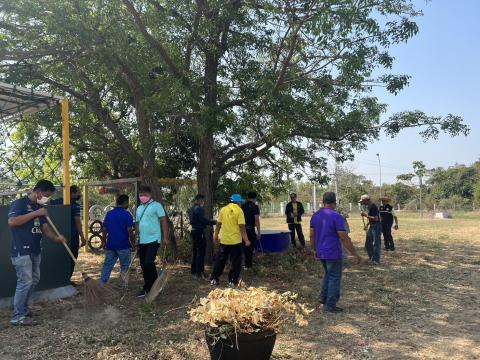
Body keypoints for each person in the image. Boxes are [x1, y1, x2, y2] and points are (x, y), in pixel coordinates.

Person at [8, 179, 67, 326]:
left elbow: (45, 229)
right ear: (38, 192)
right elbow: (12, 222)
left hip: (35, 250)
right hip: (21, 251)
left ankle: (23, 309)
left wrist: (57, 238)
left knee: (33, 280)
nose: (47, 199)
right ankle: (17, 317)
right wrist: (36, 213)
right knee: (25, 281)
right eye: (46, 195)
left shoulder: (39, 207)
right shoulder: (20, 204)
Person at [310, 192, 361, 313]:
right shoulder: (336, 216)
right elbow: (343, 237)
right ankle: (330, 305)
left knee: (328, 274)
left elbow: (312, 236)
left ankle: (323, 299)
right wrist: (354, 253)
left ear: (323, 202)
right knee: (334, 278)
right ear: (334, 203)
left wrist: (314, 250)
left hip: (321, 251)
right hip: (333, 252)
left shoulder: (315, 216)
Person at [135, 185, 169, 298]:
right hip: (142, 240)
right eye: (141, 195)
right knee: (143, 264)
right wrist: (136, 237)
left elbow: (164, 221)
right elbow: (138, 224)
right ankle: (147, 287)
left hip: (154, 239)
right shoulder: (139, 208)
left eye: (145, 195)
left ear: (150, 195)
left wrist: (166, 237)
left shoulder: (156, 205)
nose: (142, 197)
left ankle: (155, 286)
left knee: (149, 262)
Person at [210, 194, 251, 287]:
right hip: (236, 242)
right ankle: (232, 281)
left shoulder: (223, 209)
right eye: (240, 202)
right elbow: (242, 227)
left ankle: (214, 279)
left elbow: (218, 224)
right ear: (238, 202)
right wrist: (246, 240)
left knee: (220, 261)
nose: (241, 204)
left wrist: (215, 235)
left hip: (224, 241)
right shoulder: (239, 211)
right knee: (235, 262)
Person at [50, 185, 87, 283]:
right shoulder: (75, 205)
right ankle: (66, 280)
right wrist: (83, 237)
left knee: (59, 257)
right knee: (72, 257)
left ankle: (59, 279)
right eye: (78, 192)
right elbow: (78, 222)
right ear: (73, 193)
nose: (80, 194)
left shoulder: (57, 201)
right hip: (72, 236)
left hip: (58, 235)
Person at [100, 194, 135, 287]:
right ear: (125, 203)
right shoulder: (127, 215)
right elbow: (130, 231)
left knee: (107, 265)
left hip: (110, 245)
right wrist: (133, 244)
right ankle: (123, 284)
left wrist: (104, 241)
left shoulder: (109, 214)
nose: (128, 204)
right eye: (128, 202)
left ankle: (102, 283)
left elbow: (104, 229)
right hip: (123, 245)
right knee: (125, 266)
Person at [188, 194, 216, 280]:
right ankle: (199, 272)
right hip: (199, 232)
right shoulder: (199, 209)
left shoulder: (191, 209)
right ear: (199, 200)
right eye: (202, 200)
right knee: (201, 252)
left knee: (195, 251)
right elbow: (203, 220)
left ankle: (194, 271)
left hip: (193, 231)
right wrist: (213, 222)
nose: (203, 202)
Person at [360, 194, 382, 265]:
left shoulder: (373, 207)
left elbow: (376, 218)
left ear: (367, 200)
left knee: (376, 243)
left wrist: (365, 215)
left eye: (363, 201)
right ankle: (372, 258)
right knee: (368, 243)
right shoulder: (369, 207)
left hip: (376, 226)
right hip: (372, 226)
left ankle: (376, 260)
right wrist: (367, 225)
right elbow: (371, 218)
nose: (362, 203)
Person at [241, 191, 261, 270]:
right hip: (250, 229)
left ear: (247, 198)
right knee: (250, 248)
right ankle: (248, 265)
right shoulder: (255, 207)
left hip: (242, 229)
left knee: (243, 247)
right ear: (255, 198)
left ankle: (243, 264)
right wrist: (258, 232)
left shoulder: (242, 206)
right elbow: (256, 220)